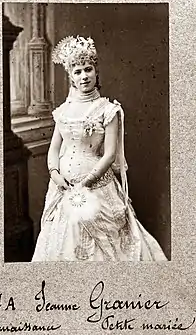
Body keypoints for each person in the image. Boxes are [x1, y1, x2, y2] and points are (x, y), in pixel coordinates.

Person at [32, 35, 167, 261]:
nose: (84, 76)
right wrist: (55, 176)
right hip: (62, 188)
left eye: (88, 69)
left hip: (95, 186)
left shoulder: (108, 110)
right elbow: (54, 149)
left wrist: (84, 185)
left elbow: (110, 154)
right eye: (77, 72)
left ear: (96, 71)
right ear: (71, 78)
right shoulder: (63, 110)